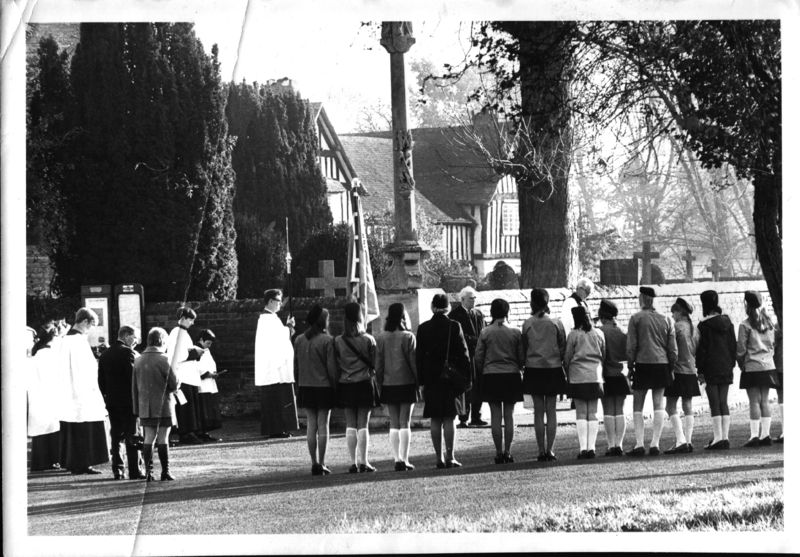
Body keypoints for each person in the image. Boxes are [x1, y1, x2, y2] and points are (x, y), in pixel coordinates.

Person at [416, 293, 470, 469]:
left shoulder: (423, 328)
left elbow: (419, 358)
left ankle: (438, 457)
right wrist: (466, 378)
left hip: (431, 378)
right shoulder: (454, 326)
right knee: (449, 418)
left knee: (435, 419)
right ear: (448, 307)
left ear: (432, 306)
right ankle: (450, 456)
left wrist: (421, 381)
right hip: (450, 378)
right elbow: (464, 354)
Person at [625, 286, 678, 457]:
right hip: (662, 363)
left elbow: (631, 346)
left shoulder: (636, 318)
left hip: (642, 362)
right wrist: (671, 367)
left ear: (642, 299)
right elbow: (673, 349)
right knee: (658, 404)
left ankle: (639, 443)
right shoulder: (667, 319)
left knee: (638, 405)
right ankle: (655, 443)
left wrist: (630, 366)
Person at [57, 308, 109, 475]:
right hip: (81, 392)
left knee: (74, 430)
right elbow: (82, 370)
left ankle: (74, 463)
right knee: (84, 430)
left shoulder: (66, 339)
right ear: (85, 322)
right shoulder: (77, 341)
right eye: (91, 324)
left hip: (70, 392)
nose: (91, 328)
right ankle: (83, 463)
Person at [474, 298, 524, 464]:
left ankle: (498, 452)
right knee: (509, 415)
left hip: (491, 374)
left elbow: (478, 356)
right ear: (507, 311)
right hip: (511, 374)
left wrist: (484, 370)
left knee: (495, 416)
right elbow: (521, 356)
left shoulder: (485, 332)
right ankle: (508, 451)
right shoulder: (515, 332)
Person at [522, 288, 567, 461]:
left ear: (532, 303)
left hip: (533, 369)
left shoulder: (527, 324)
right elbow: (562, 346)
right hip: (553, 368)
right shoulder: (556, 323)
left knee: (538, 411)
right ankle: (551, 449)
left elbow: (524, 347)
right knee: (552, 410)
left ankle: (541, 450)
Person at [335, 302, 379, 473]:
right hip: (364, 382)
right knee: (363, 424)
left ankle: (353, 462)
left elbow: (337, 363)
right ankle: (364, 461)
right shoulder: (368, 339)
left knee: (350, 424)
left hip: (346, 382)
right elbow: (374, 364)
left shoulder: (338, 341)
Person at [294, 305, 337, 475]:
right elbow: (331, 368)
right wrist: (335, 386)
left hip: (305, 385)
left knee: (311, 425)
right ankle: (322, 462)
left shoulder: (299, 340)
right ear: (323, 321)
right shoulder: (327, 340)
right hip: (323, 386)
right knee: (323, 424)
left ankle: (313, 462)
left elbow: (296, 365)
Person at [133, 327, 180, 481]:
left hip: (145, 406)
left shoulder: (138, 360)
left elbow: (134, 387)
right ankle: (165, 472)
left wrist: (137, 409)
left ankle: (148, 473)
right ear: (162, 341)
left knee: (148, 438)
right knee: (163, 439)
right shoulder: (165, 359)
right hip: (163, 405)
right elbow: (173, 385)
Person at [376, 303, 419, 471]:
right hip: (406, 382)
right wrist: (418, 382)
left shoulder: (381, 337)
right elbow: (413, 363)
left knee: (393, 422)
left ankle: (396, 459)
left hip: (388, 382)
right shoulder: (408, 337)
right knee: (405, 422)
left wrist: (380, 382)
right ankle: (405, 458)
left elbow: (378, 365)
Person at [98, 325, 145, 479]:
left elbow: (101, 381)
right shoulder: (128, 353)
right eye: (135, 337)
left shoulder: (105, 355)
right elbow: (134, 379)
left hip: (112, 401)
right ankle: (134, 469)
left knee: (116, 435)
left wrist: (107, 397)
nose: (136, 340)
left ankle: (118, 470)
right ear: (126, 336)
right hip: (129, 401)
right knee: (132, 434)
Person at [254, 288, 299, 439]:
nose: (280, 304)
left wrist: (287, 327)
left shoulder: (272, 318)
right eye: (279, 301)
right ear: (271, 301)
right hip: (273, 369)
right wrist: (289, 327)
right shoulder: (267, 319)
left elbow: (281, 337)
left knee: (278, 397)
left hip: (275, 367)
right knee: (276, 398)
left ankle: (280, 428)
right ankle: (277, 429)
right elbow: (278, 339)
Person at [737, 291, 779, 447]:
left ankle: (754, 435)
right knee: (765, 401)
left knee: (754, 401)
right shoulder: (769, 324)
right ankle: (765, 434)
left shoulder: (745, 325)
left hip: (752, 365)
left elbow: (741, 349)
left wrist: (741, 364)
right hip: (768, 366)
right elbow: (773, 345)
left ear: (746, 304)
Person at [696, 289, 737, 450]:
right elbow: (733, 345)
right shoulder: (728, 322)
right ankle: (725, 437)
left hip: (710, 367)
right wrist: (731, 363)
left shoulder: (703, 325)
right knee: (723, 402)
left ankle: (718, 438)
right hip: (726, 365)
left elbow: (702, 350)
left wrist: (700, 370)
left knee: (714, 403)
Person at [565, 306, 606, 459]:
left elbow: (567, 357)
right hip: (595, 376)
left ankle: (583, 448)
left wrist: (567, 370)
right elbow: (604, 354)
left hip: (577, 376)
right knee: (593, 413)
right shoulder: (598, 333)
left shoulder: (573, 335)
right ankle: (592, 447)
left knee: (581, 413)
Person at [664, 298, 700, 454]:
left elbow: (671, 349)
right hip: (691, 370)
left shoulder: (676, 327)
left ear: (679, 312)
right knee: (688, 406)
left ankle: (680, 440)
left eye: (674, 312)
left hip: (677, 370)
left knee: (670, 406)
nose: (672, 316)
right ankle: (689, 440)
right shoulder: (695, 329)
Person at [448, 286, 488, 428]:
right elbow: (457, 336)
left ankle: (476, 416)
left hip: (478, 354)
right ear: (463, 299)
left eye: (475, 298)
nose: (473, 300)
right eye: (471, 298)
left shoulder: (478, 313)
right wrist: (474, 340)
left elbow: (484, 331)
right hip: (464, 355)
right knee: (466, 387)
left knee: (479, 386)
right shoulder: (454, 315)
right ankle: (463, 417)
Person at [597, 299, 631, 457]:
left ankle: (611, 445)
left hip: (606, 375)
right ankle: (619, 444)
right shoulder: (623, 331)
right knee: (620, 410)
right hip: (621, 374)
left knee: (608, 411)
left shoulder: (600, 331)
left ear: (603, 315)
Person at [166, 307, 205, 445]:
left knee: (190, 407)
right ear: (183, 318)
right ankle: (185, 434)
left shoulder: (184, 333)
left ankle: (191, 432)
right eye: (191, 319)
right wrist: (194, 352)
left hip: (189, 376)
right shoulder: (176, 333)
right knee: (185, 408)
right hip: (182, 377)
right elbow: (176, 355)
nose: (192, 323)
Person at [28, 328, 62, 471]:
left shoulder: (37, 354)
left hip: (37, 395)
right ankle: (50, 460)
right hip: (50, 395)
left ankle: (39, 462)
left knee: (41, 430)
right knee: (51, 429)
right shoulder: (50, 354)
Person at [196, 329, 223, 443]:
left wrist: (214, 373)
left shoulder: (206, 350)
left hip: (210, 385)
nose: (209, 346)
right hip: (202, 386)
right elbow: (198, 367)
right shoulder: (197, 350)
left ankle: (205, 432)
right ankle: (201, 433)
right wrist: (208, 374)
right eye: (207, 343)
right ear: (201, 340)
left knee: (210, 410)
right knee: (204, 411)